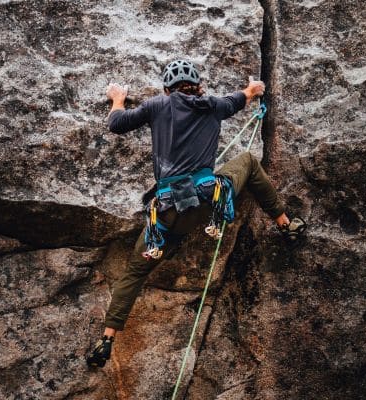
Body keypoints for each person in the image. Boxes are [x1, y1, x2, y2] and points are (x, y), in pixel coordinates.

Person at [86, 60, 306, 368]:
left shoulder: (157, 106)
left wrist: (118, 99)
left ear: (167, 88)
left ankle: (106, 339)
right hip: (207, 204)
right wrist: (255, 89)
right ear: (197, 85)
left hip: (166, 215)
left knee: (136, 271)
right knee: (247, 162)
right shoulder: (213, 105)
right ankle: (286, 224)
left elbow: (117, 123)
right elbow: (244, 96)